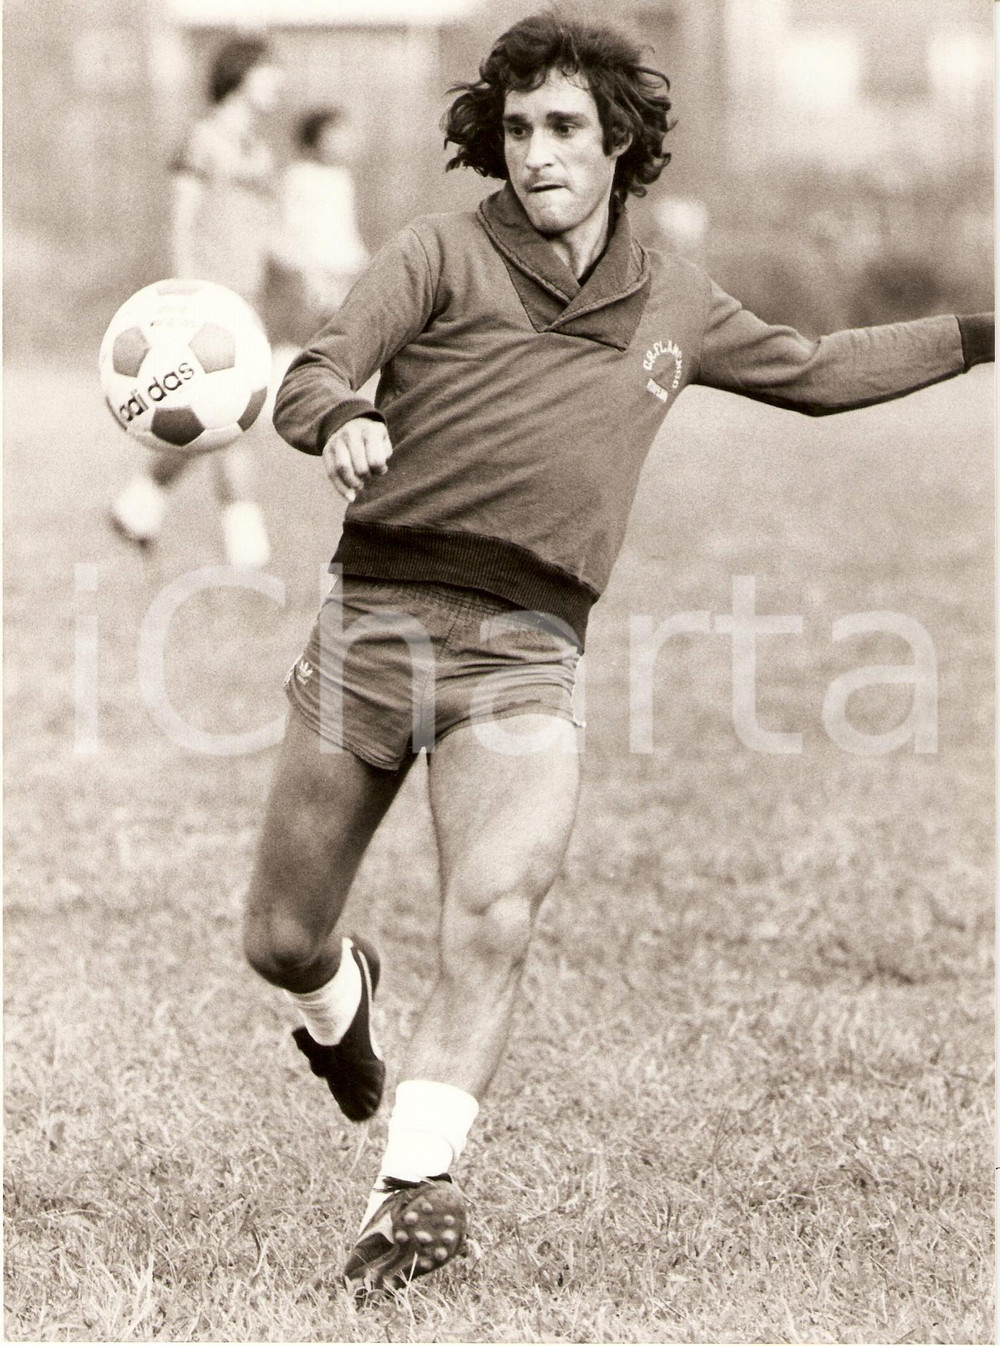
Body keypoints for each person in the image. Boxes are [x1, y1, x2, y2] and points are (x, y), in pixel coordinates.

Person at [241, 12, 994, 1298]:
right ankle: (338, 1001)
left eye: (564, 129)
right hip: (373, 624)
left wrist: (983, 332)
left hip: (528, 648)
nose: (536, 153)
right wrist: (348, 420)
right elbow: (314, 372)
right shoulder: (436, 252)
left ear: (619, 144)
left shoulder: (676, 302)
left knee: (494, 910)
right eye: (518, 128)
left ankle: (414, 1194)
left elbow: (814, 372)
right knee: (279, 935)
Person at [109, 34, 282, 568]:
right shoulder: (203, 138)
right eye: (271, 71)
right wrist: (185, 297)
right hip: (206, 306)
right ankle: (246, 548)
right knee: (233, 418)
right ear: (241, 74)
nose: (280, 83)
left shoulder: (261, 147)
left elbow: (265, 231)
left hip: (248, 301)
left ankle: (135, 508)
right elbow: (181, 220)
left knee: (207, 419)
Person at [271, 106, 370, 349]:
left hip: (342, 269)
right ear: (314, 142)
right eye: (334, 137)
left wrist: (361, 263)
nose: (343, 143)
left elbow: (344, 228)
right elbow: (292, 228)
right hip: (312, 271)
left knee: (342, 338)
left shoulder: (340, 177)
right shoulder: (300, 176)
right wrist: (311, 275)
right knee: (307, 339)